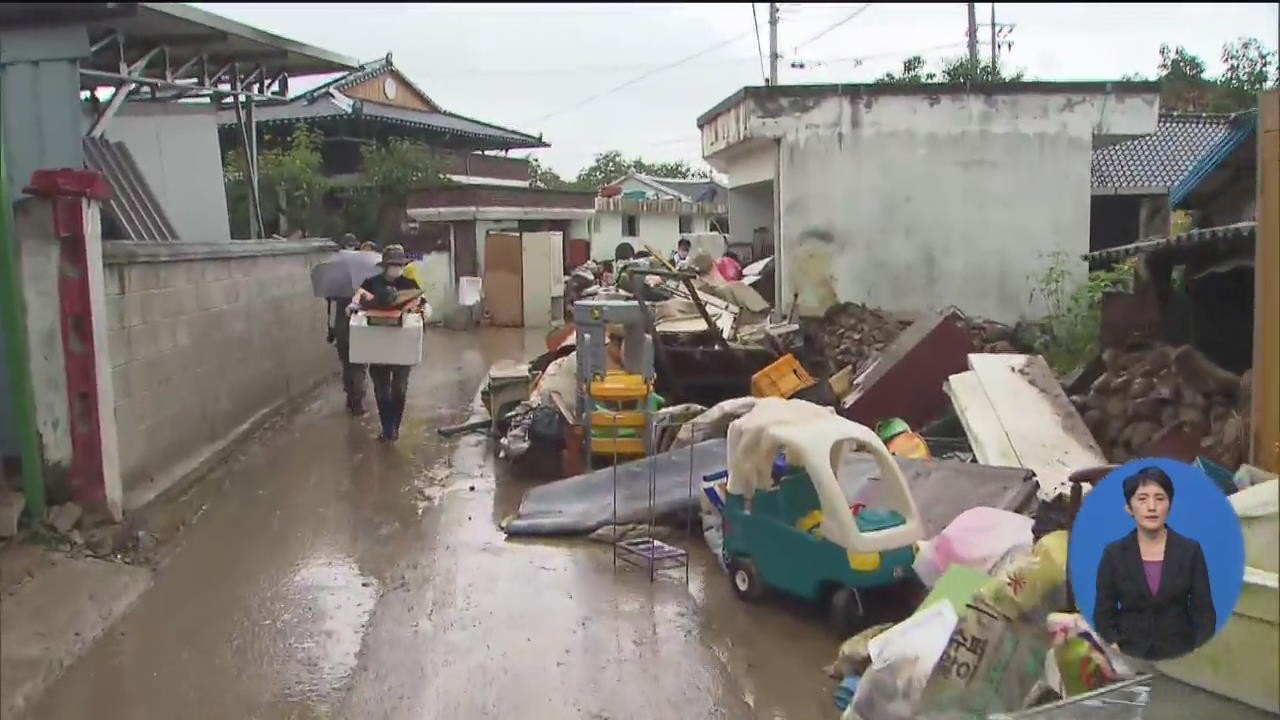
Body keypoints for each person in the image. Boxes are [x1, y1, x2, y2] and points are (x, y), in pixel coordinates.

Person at [1093, 466, 1216, 661]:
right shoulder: (1113, 553)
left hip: (1179, 656)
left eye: (1160, 498)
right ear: (1129, 508)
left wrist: (1196, 653)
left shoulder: (1190, 550)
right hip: (1130, 656)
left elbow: (1204, 613)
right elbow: (1103, 614)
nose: (1152, 507)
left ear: (1170, 505)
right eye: (1142, 499)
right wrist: (1116, 647)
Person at [349, 244, 423, 443]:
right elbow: (357, 300)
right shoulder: (371, 284)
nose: (396, 268)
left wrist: (422, 310)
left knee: (399, 387)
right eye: (392, 264)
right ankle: (387, 427)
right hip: (377, 343)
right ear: (385, 265)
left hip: (402, 343)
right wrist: (354, 306)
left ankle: (394, 428)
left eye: (399, 264)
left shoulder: (410, 284)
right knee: (381, 388)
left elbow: (422, 305)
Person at [327, 233, 367, 415]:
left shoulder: (334, 271)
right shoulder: (363, 269)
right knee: (359, 363)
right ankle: (358, 400)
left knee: (347, 363)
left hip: (341, 324)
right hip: (359, 321)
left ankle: (350, 397)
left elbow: (328, 297)